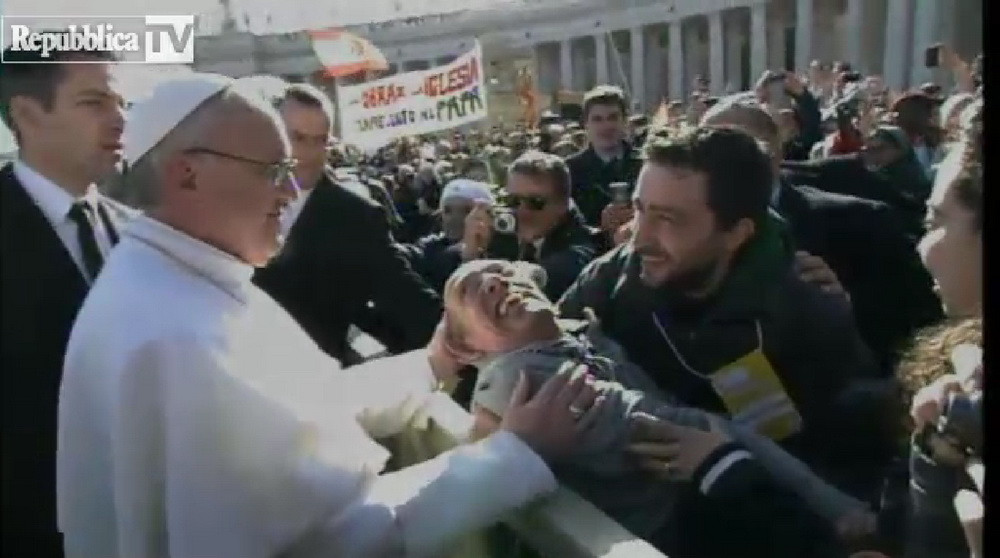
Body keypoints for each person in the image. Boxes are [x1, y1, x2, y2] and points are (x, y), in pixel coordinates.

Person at [57, 73, 602, 558]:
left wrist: (433, 362)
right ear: (187, 174)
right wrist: (515, 456)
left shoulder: (179, 282)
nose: (291, 190)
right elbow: (334, 538)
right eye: (273, 170)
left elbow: (303, 406)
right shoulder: (175, 334)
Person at [444, 259, 870, 547]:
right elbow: (670, 429)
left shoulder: (573, 336)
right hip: (675, 527)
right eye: (470, 291)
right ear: (469, 347)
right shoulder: (517, 382)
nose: (494, 281)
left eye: (501, 270)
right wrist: (837, 510)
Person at [558, 127, 883, 493]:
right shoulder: (611, 278)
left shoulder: (806, 316)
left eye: (668, 219)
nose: (640, 239)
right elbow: (549, 351)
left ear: (736, 234)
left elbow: (847, 465)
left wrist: (730, 466)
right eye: (640, 210)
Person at [0, 44, 136, 558]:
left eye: (120, 102)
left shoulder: (139, 234)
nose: (119, 119)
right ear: (27, 114)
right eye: (93, 102)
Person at [703, 99, 942, 378]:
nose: (711, 166)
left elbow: (913, 325)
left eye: (728, 150)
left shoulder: (860, 223)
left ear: (774, 153)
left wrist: (839, 308)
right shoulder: (678, 230)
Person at [251, 83, 442, 366]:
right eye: (298, 138)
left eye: (320, 141)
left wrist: (464, 334)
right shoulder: (233, 195)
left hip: (307, 376)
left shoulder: (356, 216)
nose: (310, 153)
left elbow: (403, 294)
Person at [460, 150, 601, 301]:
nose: (522, 211)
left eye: (535, 202)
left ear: (563, 204)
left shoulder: (582, 249)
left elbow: (516, 295)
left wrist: (474, 264)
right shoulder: (503, 238)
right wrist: (472, 252)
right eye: (513, 200)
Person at [564, 85, 642, 233]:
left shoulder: (646, 165)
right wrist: (600, 227)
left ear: (625, 120)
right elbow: (563, 227)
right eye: (597, 119)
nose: (606, 126)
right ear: (586, 124)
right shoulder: (569, 171)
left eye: (613, 118)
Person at [401, 178, 493, 294]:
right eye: (447, 210)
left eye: (466, 211)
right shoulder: (428, 248)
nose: (454, 218)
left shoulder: (499, 248)